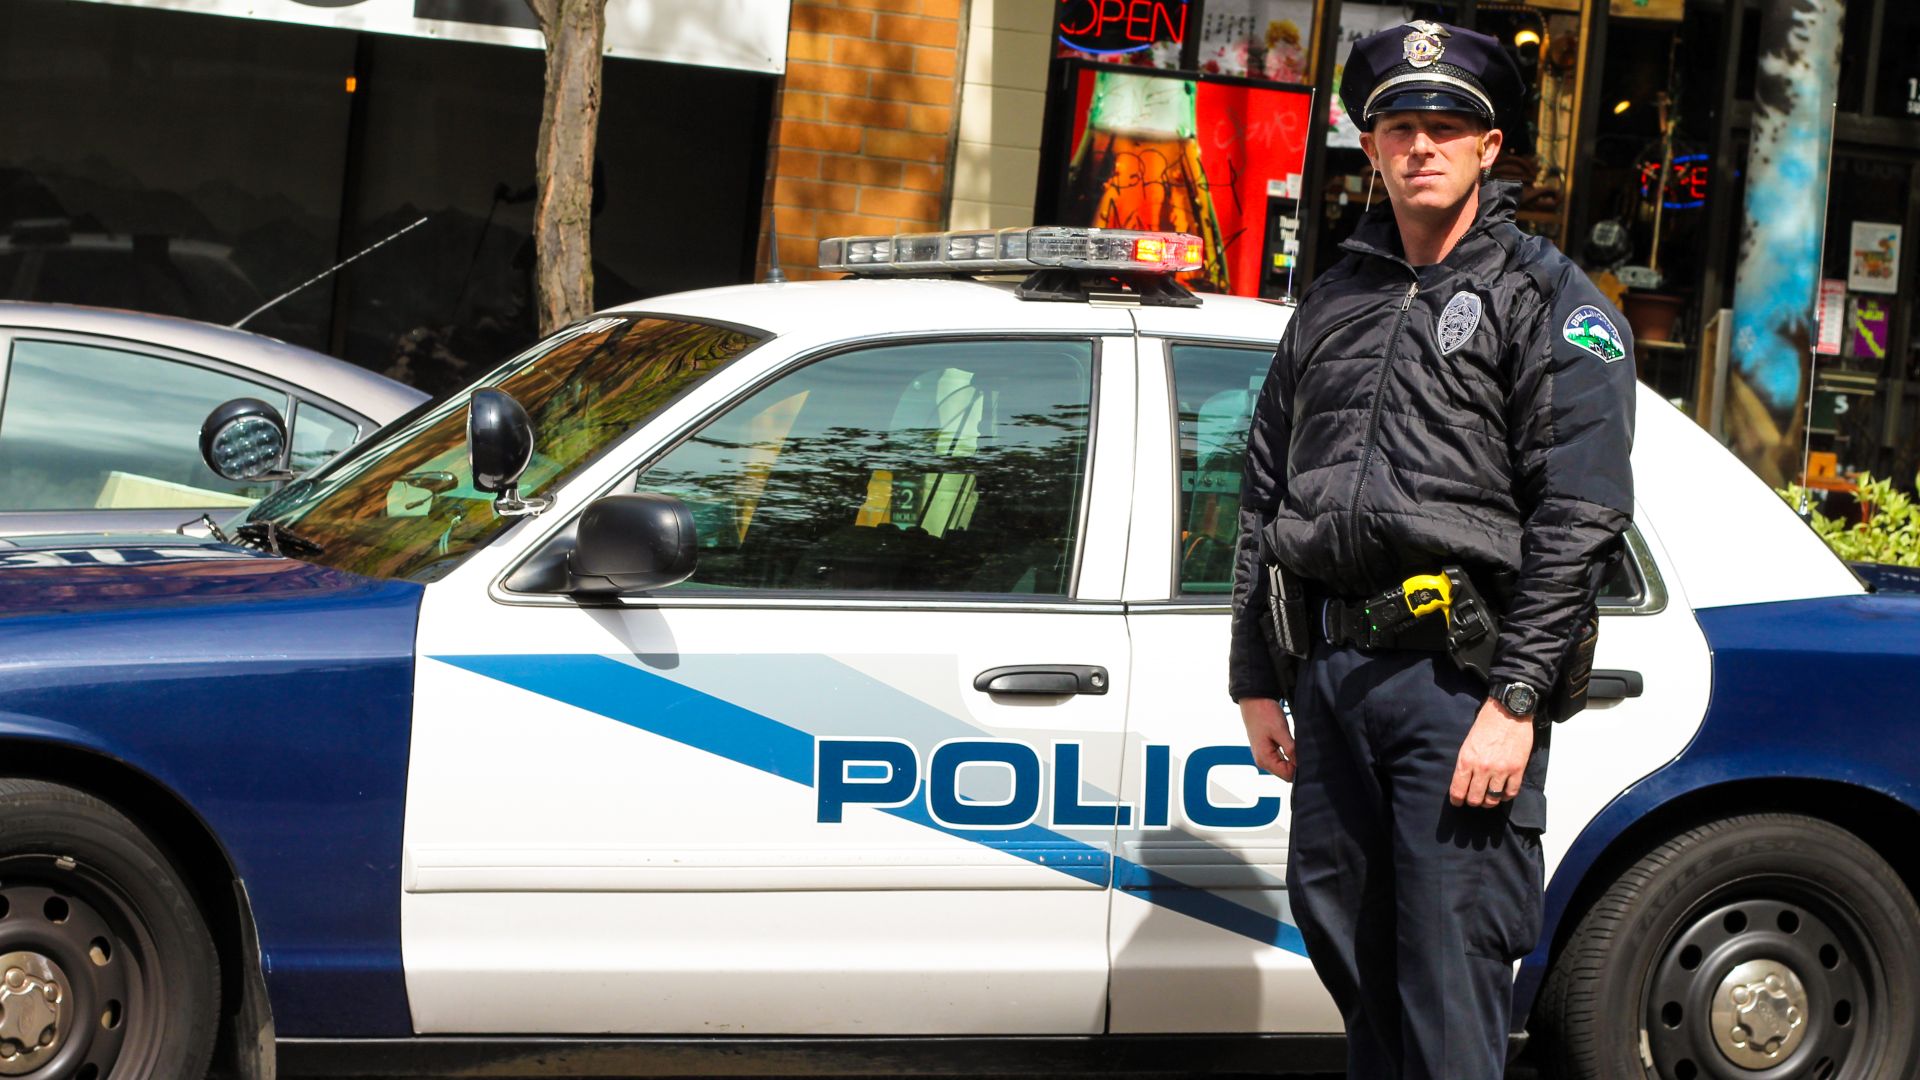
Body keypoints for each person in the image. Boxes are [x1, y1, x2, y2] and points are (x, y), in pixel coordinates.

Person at [1228, 20, 1637, 1080]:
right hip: (1335, 678)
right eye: (1400, 127)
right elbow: (1265, 491)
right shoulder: (1334, 300)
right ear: (1371, 148)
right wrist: (1256, 675)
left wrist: (1514, 702)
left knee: (1449, 990)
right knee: (1356, 970)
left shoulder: (1548, 302)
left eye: (1446, 128)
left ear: (1489, 149)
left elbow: (1580, 517)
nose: (1421, 147)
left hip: (1462, 691)